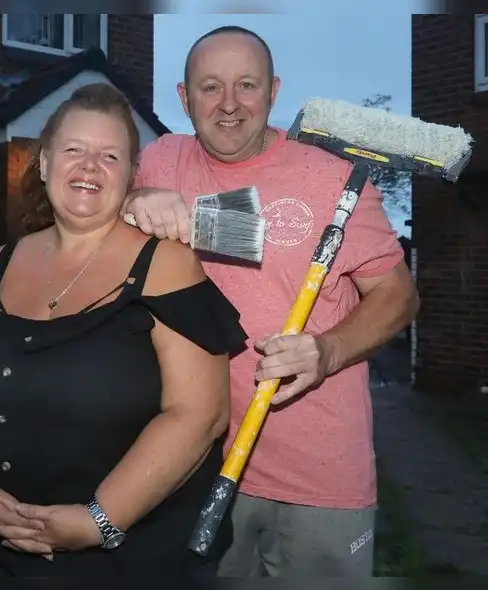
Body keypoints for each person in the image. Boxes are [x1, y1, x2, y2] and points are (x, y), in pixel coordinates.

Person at [123, 26, 420, 577]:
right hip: (190, 459)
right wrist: (136, 198)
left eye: (246, 85)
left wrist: (327, 352)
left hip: (319, 478)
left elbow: (398, 296)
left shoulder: (330, 181)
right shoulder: (161, 160)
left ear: (274, 91)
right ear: (184, 98)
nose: (230, 104)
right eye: (210, 88)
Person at [0, 82, 249, 579]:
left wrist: (97, 521)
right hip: (2, 555)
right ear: (43, 165)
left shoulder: (166, 265)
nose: (89, 167)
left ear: (129, 176)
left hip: (131, 561)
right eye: (74, 150)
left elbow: (199, 416)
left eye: (109, 156)